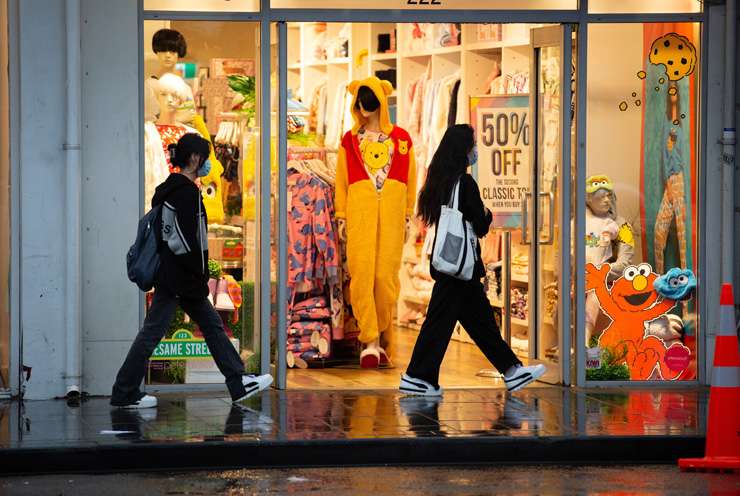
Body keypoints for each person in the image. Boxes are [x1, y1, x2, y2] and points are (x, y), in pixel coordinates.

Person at [111, 133, 272, 409]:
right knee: (161, 332)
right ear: (195, 159)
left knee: (205, 326)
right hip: (182, 278)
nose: (208, 164)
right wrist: (199, 275)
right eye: (206, 158)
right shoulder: (186, 194)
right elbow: (187, 242)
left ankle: (237, 382)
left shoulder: (169, 191)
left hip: (174, 276)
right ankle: (124, 391)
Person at [400, 124, 545, 396]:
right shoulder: (464, 183)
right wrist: (487, 213)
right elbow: (480, 226)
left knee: (480, 324)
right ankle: (417, 375)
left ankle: (512, 370)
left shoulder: (439, 182)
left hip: (449, 265)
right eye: (473, 145)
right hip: (460, 269)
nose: (475, 150)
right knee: (441, 324)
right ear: (463, 150)